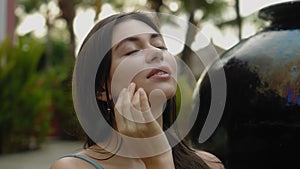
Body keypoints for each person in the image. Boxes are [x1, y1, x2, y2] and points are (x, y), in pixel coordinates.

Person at [50, 12, 224, 169]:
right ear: (101, 89)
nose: (156, 53)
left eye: (160, 46)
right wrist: (159, 159)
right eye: (132, 51)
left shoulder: (208, 164)